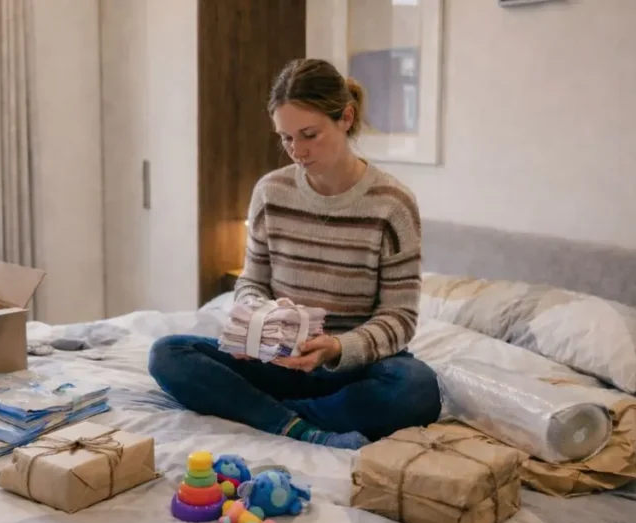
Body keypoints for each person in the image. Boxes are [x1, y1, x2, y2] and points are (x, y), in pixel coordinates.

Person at [147, 58, 441, 450]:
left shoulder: (392, 204)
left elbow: (400, 317)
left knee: (417, 389)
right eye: (285, 138)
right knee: (168, 353)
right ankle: (299, 426)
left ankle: (266, 415)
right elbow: (252, 281)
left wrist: (337, 348)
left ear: (346, 117)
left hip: (348, 366)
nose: (296, 151)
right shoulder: (270, 192)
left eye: (309, 135)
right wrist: (257, 324)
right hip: (276, 359)